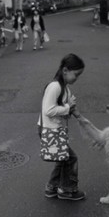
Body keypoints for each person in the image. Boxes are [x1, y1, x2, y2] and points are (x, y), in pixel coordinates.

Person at [38, 53, 85, 201]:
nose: (77, 78)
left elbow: (59, 109)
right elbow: (48, 110)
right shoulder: (55, 87)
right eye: (76, 74)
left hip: (55, 129)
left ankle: (52, 187)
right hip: (51, 129)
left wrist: (70, 109)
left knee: (63, 158)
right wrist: (67, 107)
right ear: (65, 70)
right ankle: (67, 189)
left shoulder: (64, 87)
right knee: (71, 158)